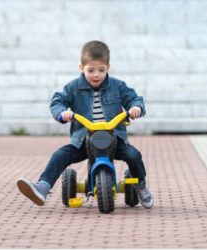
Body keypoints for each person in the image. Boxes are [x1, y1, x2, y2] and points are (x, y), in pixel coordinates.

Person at [17, 40, 154, 209]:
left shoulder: (117, 86)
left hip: (114, 139)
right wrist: (62, 113)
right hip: (84, 140)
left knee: (133, 155)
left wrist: (135, 108)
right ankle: (43, 186)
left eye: (101, 70)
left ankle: (140, 185)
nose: (96, 74)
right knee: (60, 155)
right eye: (91, 70)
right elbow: (57, 101)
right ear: (81, 67)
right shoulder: (74, 87)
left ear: (108, 67)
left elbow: (134, 98)